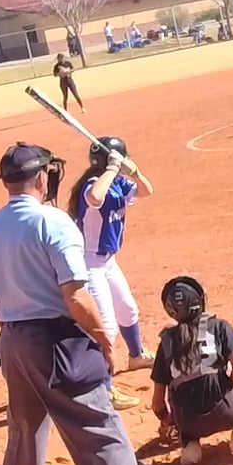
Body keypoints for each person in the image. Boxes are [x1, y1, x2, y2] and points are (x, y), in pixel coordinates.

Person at [0, 143, 186, 465]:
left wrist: (15, 327)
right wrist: (105, 339)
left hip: (13, 344)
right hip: (57, 344)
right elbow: (76, 295)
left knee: (25, 431)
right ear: (42, 177)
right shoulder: (53, 222)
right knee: (101, 432)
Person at [149, 276, 233, 465]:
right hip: (226, 411)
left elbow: (157, 404)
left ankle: (189, 444)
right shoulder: (218, 326)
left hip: (188, 424)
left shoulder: (166, 342)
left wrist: (170, 421)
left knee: (177, 385)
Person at [68, 137, 156, 400]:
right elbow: (95, 198)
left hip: (108, 262)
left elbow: (146, 191)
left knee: (128, 309)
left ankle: (136, 355)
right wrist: (112, 169)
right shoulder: (93, 184)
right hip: (90, 264)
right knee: (105, 325)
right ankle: (104, 388)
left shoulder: (118, 183)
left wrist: (134, 172)